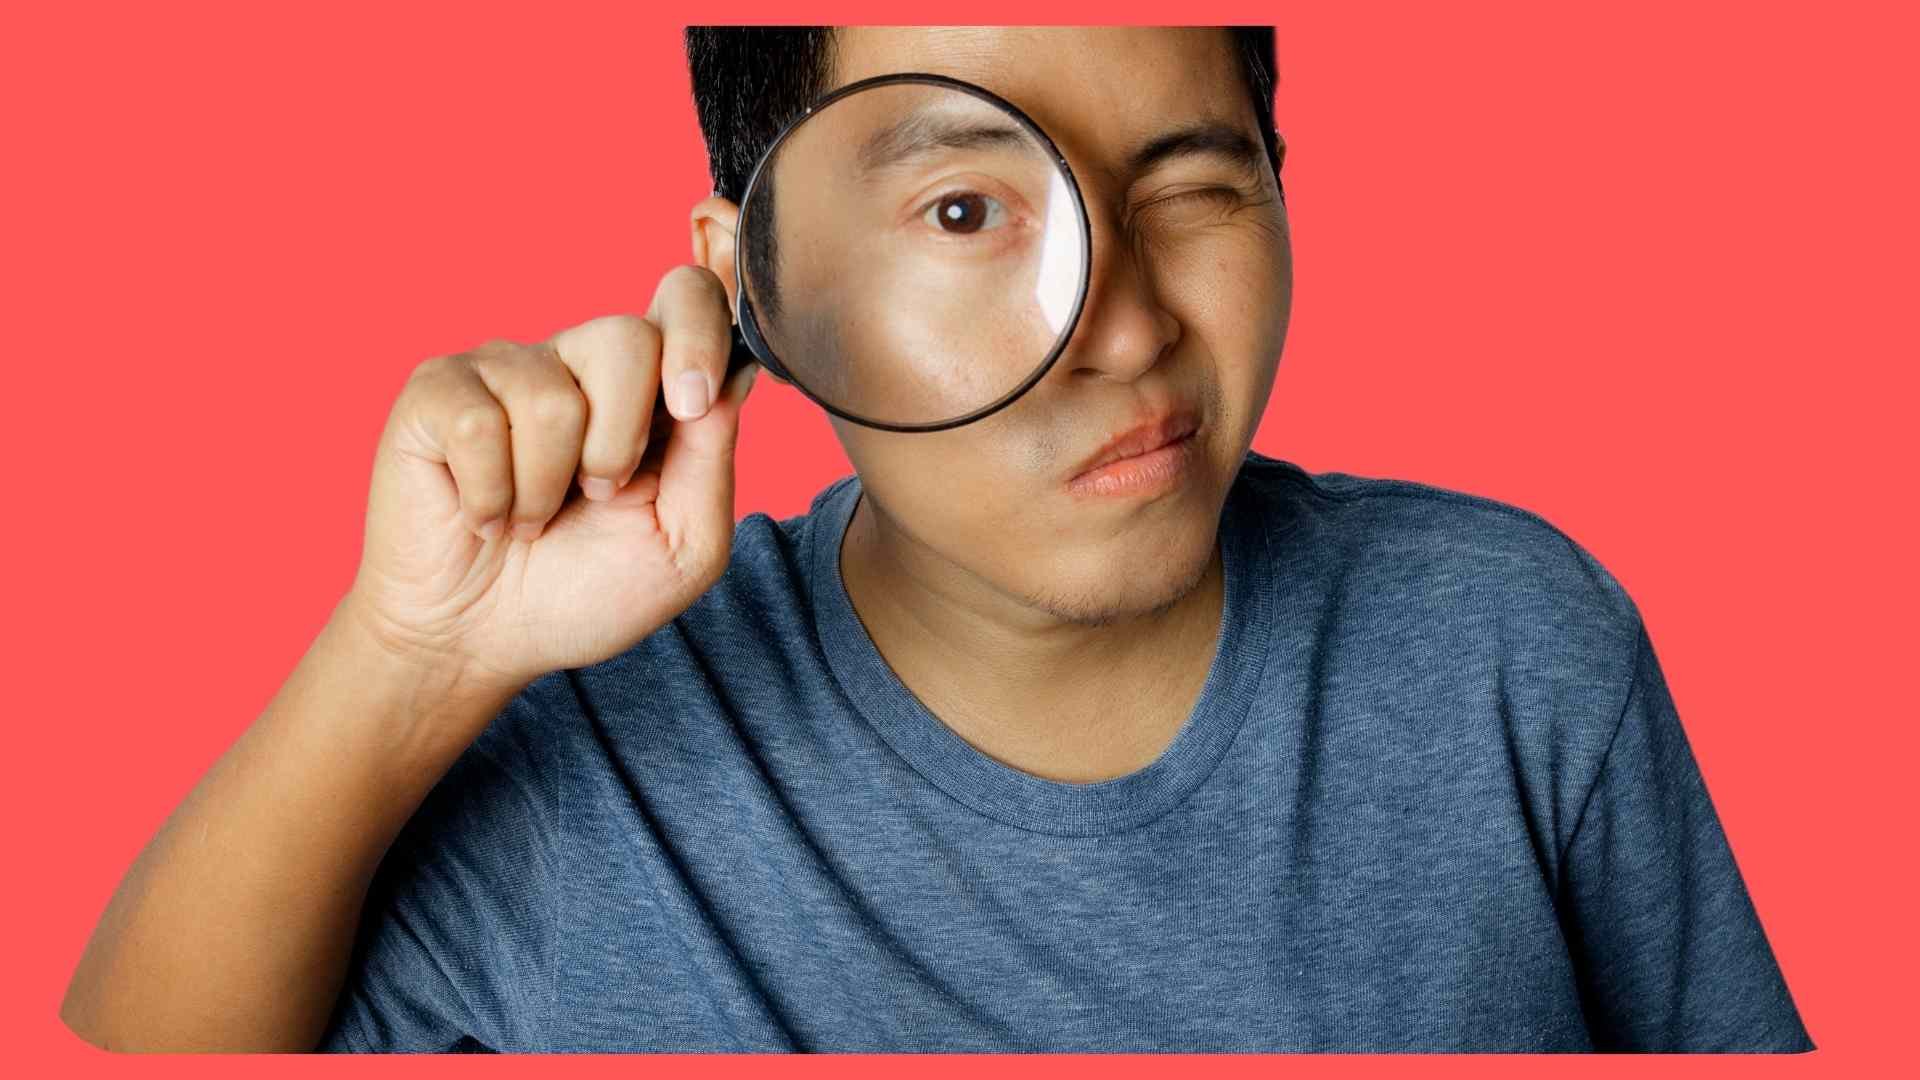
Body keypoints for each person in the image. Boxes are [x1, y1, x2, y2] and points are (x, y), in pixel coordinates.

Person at [59, 26, 1814, 1053]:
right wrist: (415, 653)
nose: (1121, 328)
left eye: (1196, 186)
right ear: (758, 292)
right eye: (966, 209)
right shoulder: (588, 738)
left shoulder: (1514, 644)